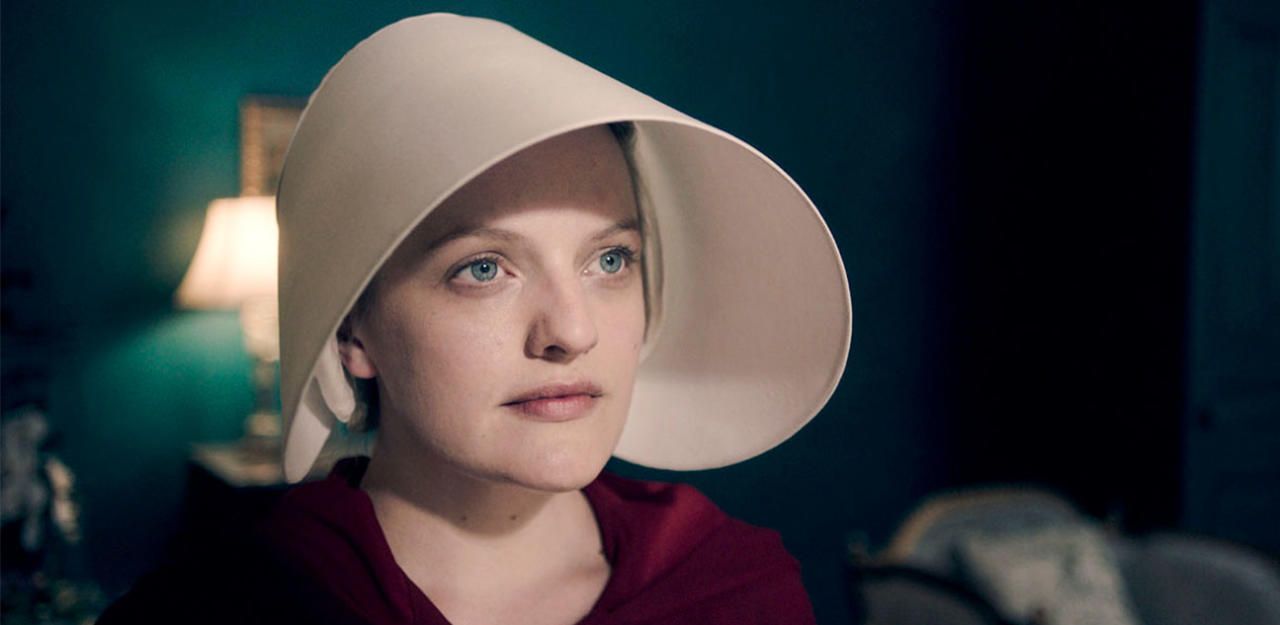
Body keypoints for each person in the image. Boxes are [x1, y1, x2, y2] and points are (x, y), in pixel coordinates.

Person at [101, 13, 851, 625]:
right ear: (353, 331)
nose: (573, 332)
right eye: (484, 269)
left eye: (610, 260)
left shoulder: (732, 589)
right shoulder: (226, 608)